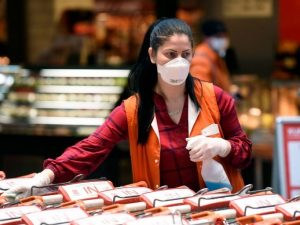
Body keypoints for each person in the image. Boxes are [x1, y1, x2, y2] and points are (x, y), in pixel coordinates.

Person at [1, 18, 252, 202]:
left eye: (186, 54)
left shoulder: (214, 98)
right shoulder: (134, 109)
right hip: (164, 212)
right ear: (152, 56)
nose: (179, 62)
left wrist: (223, 146)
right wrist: (44, 177)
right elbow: (90, 149)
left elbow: (244, 154)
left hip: (221, 207)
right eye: (170, 54)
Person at [190, 19, 233, 93]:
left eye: (224, 36)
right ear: (206, 37)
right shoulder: (200, 59)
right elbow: (201, 91)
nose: (222, 40)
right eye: (218, 36)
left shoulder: (215, 55)